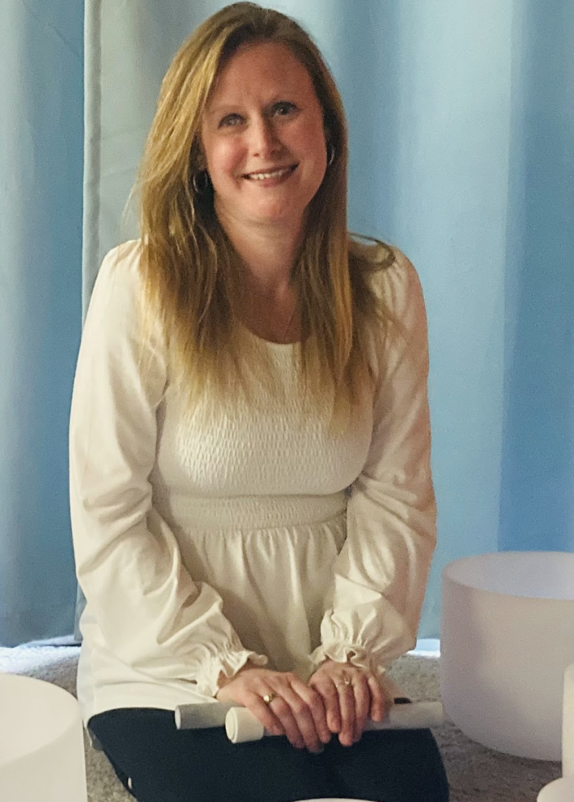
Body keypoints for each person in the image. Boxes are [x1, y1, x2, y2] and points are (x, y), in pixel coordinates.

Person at [69, 3, 449, 801]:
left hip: (332, 663)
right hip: (170, 662)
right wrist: (226, 665)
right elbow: (107, 510)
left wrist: (350, 654)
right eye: (230, 121)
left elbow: (396, 494)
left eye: (284, 110)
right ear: (199, 153)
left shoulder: (384, 290)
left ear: (326, 130)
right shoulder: (140, 286)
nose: (264, 143)